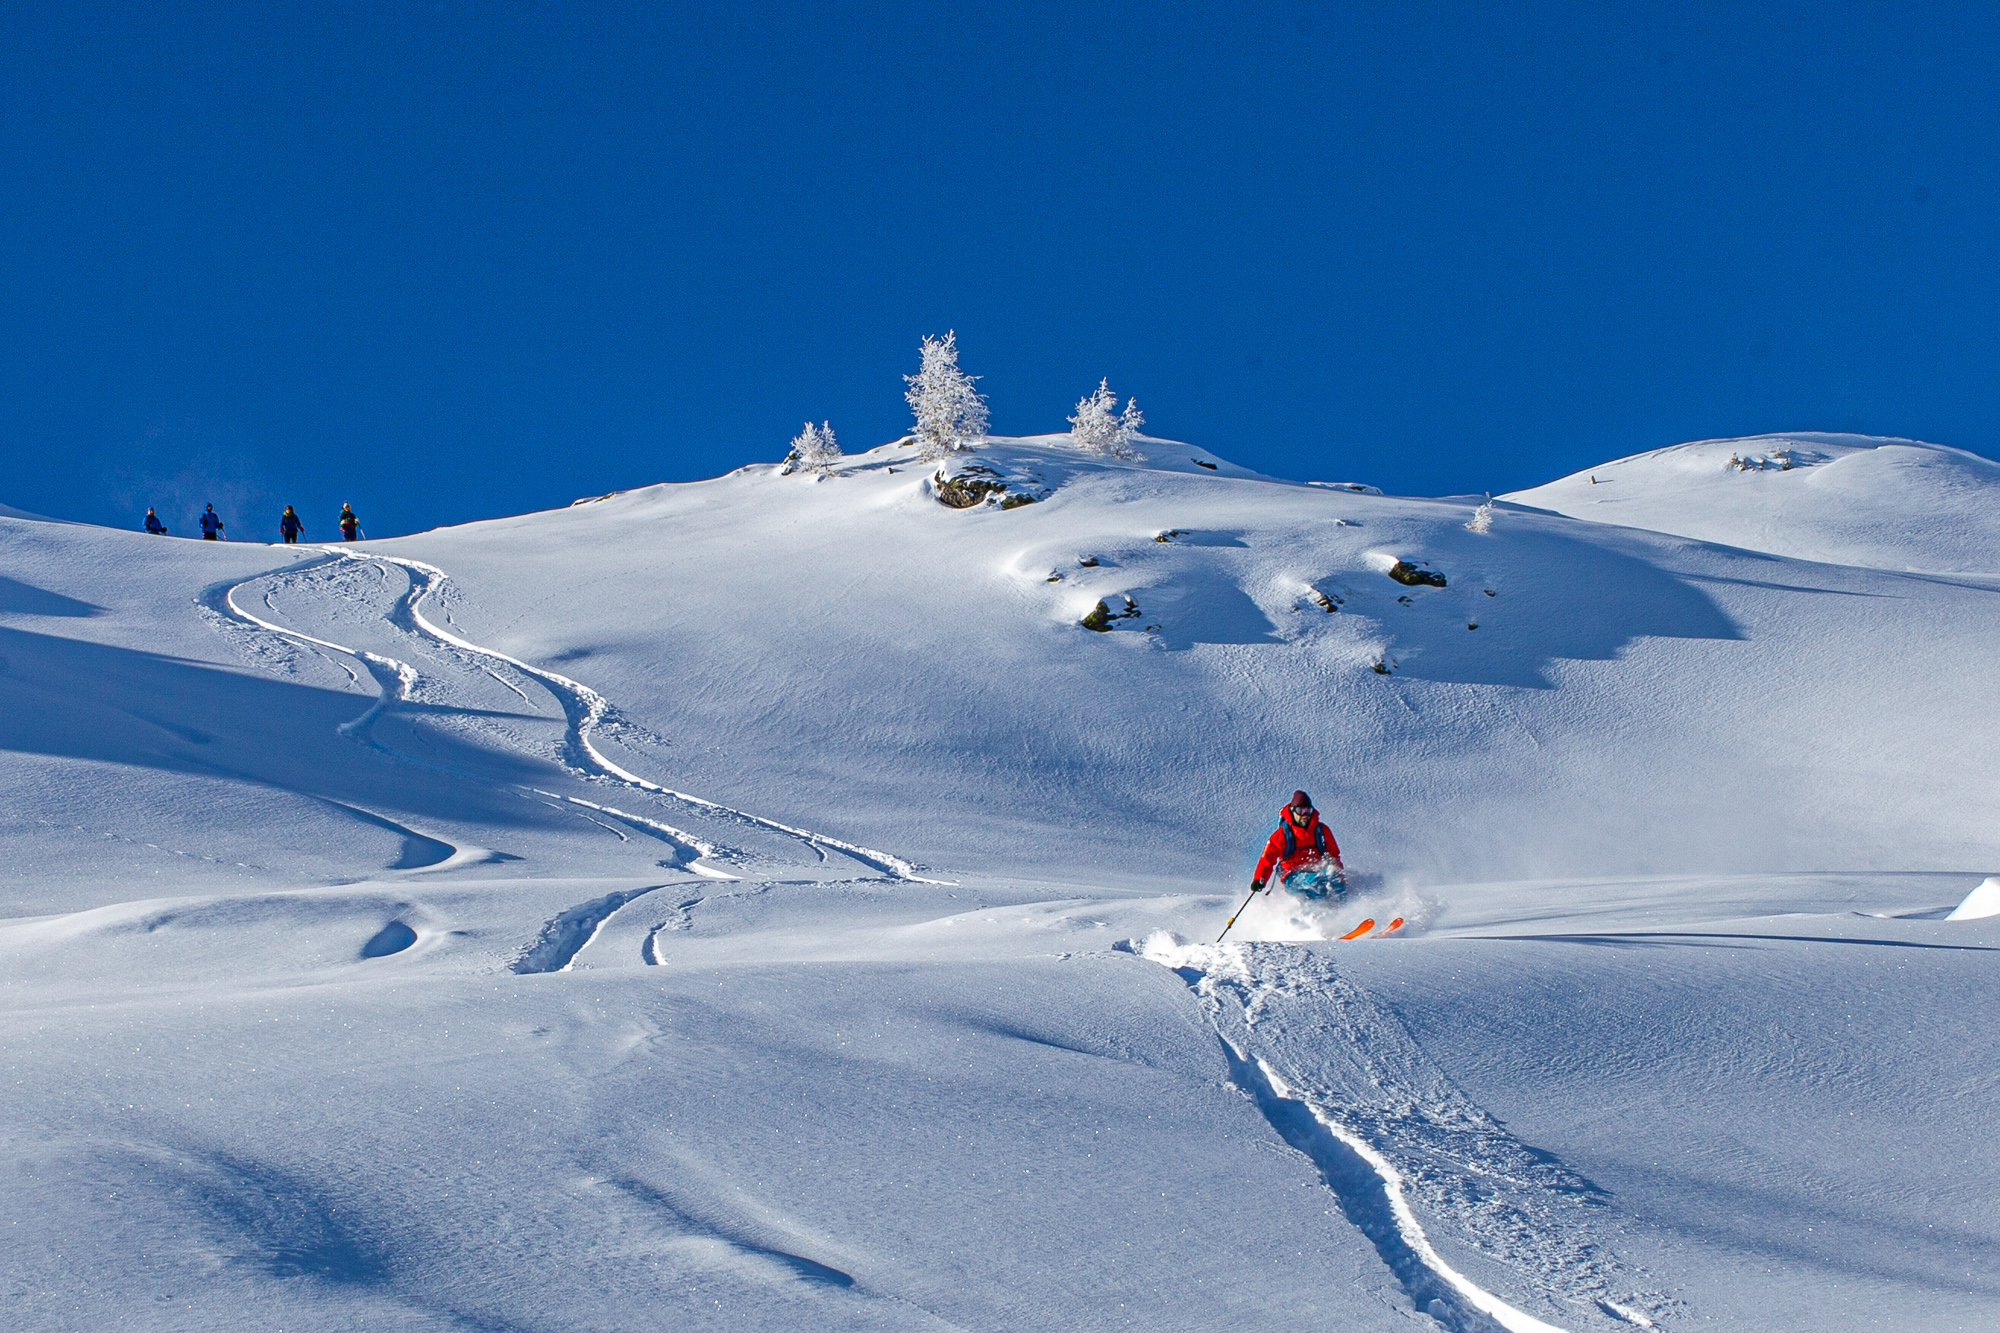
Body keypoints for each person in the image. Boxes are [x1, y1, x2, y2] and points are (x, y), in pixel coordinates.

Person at [1249, 790, 1345, 901]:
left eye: (1308, 811)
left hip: (1317, 871)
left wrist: (1339, 875)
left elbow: (1334, 855)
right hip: (1292, 876)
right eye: (1300, 810)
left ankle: (1344, 910)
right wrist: (1259, 879)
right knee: (1315, 884)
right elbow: (1267, 859)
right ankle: (1316, 915)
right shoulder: (1281, 835)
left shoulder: (1321, 831)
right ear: (1292, 811)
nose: (1305, 815)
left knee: (1334, 879)